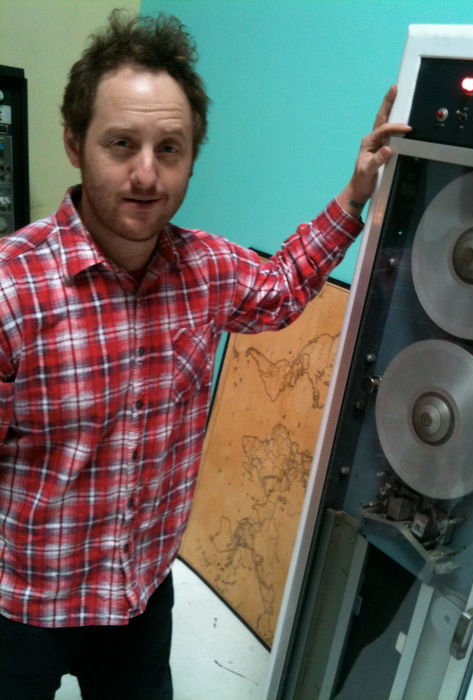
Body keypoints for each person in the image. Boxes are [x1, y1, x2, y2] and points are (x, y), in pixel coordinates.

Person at [0, 10, 410, 700]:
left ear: (193, 155)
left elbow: (282, 288)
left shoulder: (207, 270)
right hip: (24, 606)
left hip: (139, 597)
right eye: (121, 144)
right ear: (74, 142)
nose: (145, 174)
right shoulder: (12, 291)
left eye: (170, 148)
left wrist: (354, 194)